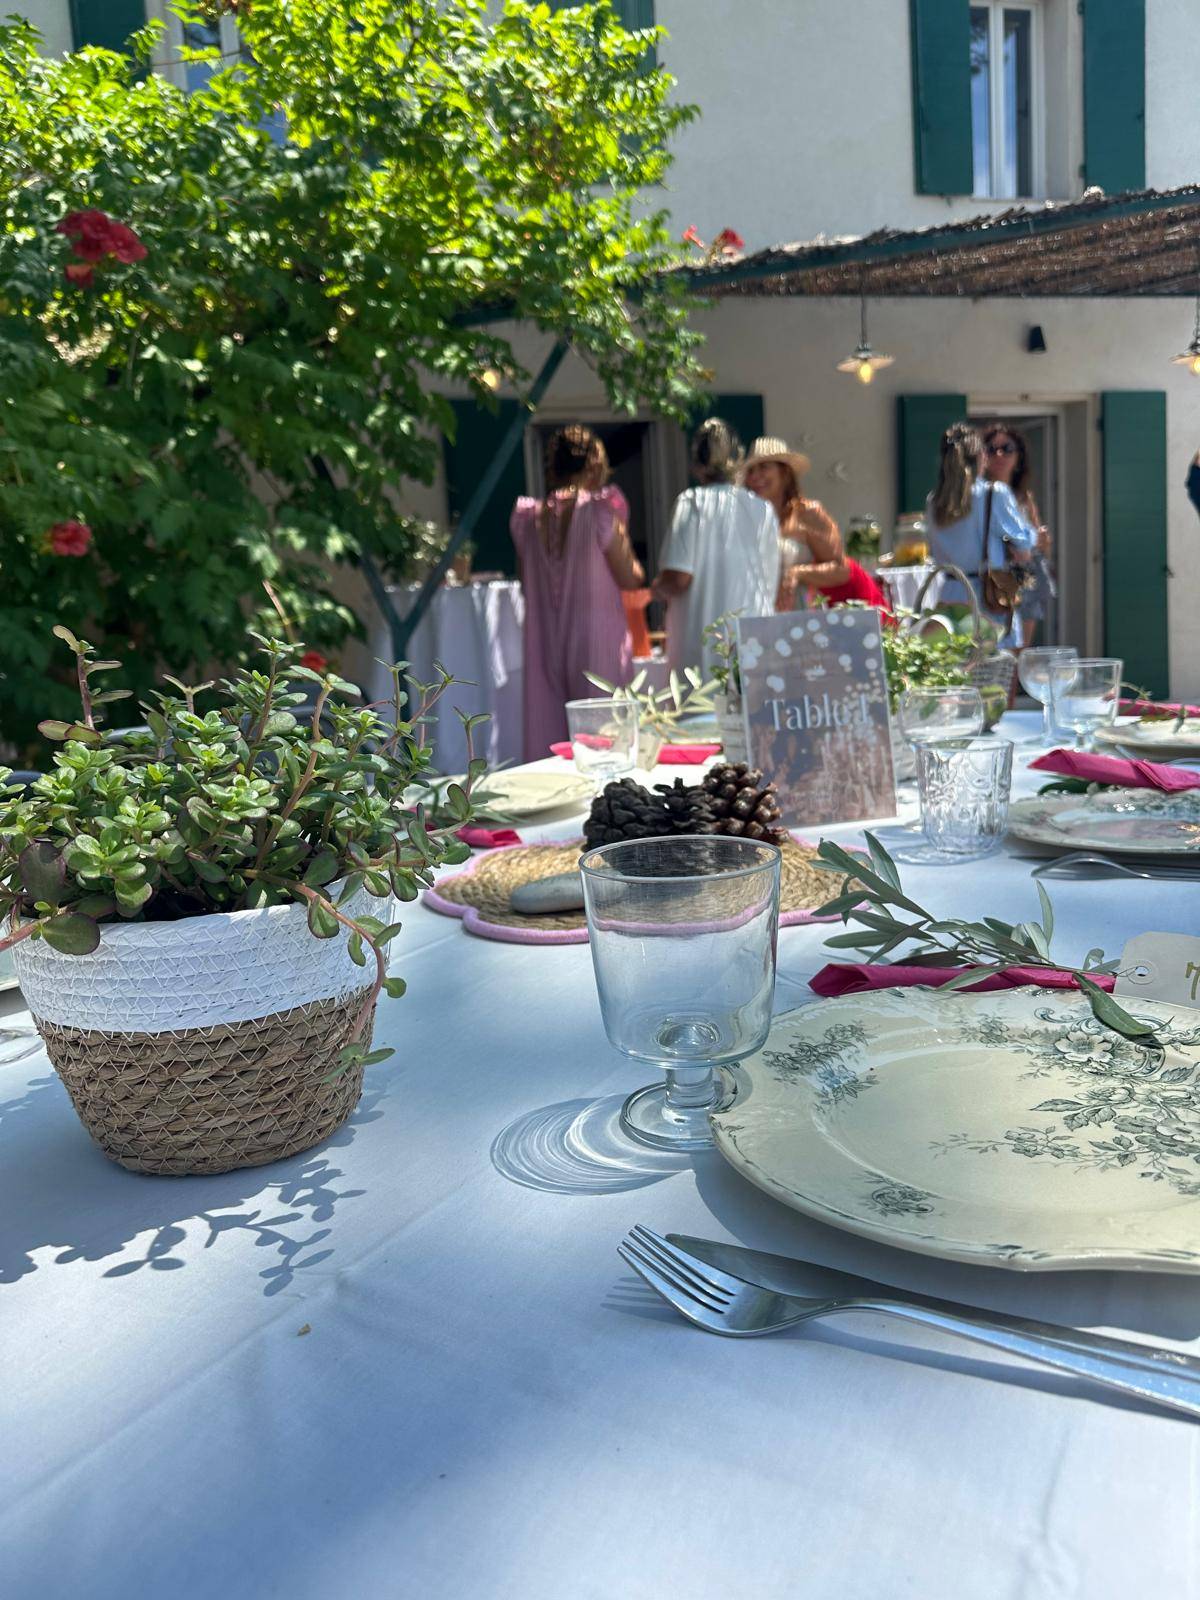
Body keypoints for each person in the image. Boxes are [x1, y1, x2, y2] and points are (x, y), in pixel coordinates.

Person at [510, 424, 645, 759]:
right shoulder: (601, 511)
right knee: (605, 742)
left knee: (549, 739)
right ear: (595, 462)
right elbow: (630, 577)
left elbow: (526, 581)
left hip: (544, 640)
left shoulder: (527, 517)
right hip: (596, 638)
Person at [654, 418, 780, 674]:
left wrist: (655, 589)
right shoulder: (762, 509)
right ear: (740, 461)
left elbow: (678, 578)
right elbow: (769, 583)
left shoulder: (692, 502)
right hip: (752, 646)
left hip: (702, 648)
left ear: (696, 465)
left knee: (701, 711)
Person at [741, 436, 892, 616]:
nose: (755, 476)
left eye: (764, 467)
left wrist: (797, 573)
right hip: (761, 613)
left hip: (804, 613)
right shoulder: (749, 520)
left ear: (784, 473)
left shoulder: (808, 513)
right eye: (750, 470)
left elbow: (841, 569)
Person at [926, 422, 1035, 643]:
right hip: (986, 597)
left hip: (948, 596)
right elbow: (1024, 546)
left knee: (952, 667)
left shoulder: (934, 500)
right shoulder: (994, 494)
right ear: (980, 456)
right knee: (994, 670)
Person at [981, 421, 1055, 648]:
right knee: (993, 652)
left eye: (1007, 448)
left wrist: (1041, 540)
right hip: (993, 583)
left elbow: (1042, 548)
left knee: (1019, 653)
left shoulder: (1024, 497)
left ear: (1018, 457)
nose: (1000, 455)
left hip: (1024, 578)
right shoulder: (979, 495)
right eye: (992, 449)